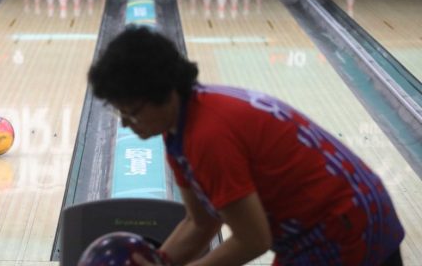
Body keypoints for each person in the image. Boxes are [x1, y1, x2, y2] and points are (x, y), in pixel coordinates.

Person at [87, 27, 405, 266]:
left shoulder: (207, 136)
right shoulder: (180, 128)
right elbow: (200, 222)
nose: (125, 124)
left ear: (164, 92)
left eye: (132, 112)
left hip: (345, 226)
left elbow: (253, 239)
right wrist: (159, 262)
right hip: (329, 223)